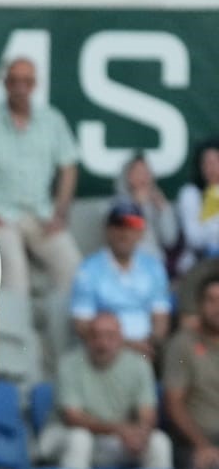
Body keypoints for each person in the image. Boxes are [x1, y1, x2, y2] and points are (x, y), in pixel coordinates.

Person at [0, 58, 81, 368]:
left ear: (34, 85)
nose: (20, 87)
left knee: (71, 265)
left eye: (26, 81)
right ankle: (17, 357)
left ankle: (59, 348)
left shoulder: (51, 120)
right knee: (14, 274)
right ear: (5, 84)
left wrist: (61, 211)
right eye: (14, 80)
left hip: (40, 214)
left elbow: (69, 166)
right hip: (0, 215)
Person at [47, 312, 172, 469]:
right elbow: (73, 418)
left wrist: (141, 434)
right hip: (66, 435)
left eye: (110, 336)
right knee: (80, 439)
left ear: (121, 338)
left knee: (158, 442)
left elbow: (147, 413)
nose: (102, 342)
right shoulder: (69, 364)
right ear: (86, 339)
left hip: (115, 439)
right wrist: (120, 430)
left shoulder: (139, 364)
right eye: (95, 336)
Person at [69, 203, 171, 357]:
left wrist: (150, 344)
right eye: (118, 226)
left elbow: (161, 318)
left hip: (148, 350)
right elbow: (82, 325)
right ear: (108, 231)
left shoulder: (154, 266)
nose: (124, 233)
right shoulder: (89, 269)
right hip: (105, 350)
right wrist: (127, 346)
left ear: (141, 232)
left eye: (131, 226)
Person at [163, 274, 219, 469]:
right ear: (199, 305)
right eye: (211, 300)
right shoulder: (182, 345)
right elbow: (173, 403)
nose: (217, 308)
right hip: (194, 441)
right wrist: (203, 445)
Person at [115, 151, 179, 263]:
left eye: (146, 172)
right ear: (128, 177)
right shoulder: (118, 204)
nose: (143, 177)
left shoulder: (158, 202)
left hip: (156, 262)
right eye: (138, 172)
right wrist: (137, 207)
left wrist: (164, 209)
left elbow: (170, 240)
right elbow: (125, 239)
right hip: (129, 262)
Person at [177, 142, 219, 271]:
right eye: (207, 163)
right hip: (198, 264)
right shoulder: (189, 193)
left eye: (216, 161)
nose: (211, 167)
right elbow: (194, 238)